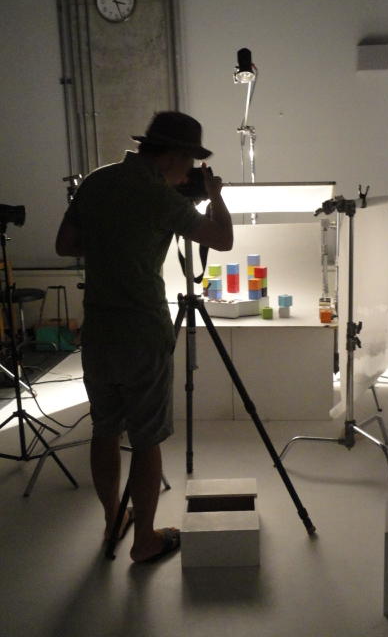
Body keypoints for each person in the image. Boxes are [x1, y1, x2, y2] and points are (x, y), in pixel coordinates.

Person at [55, 111, 233, 562]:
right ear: (174, 154)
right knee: (146, 437)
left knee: (105, 429)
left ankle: (112, 521)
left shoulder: (97, 180)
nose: (188, 174)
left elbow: (66, 244)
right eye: (189, 163)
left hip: (99, 327)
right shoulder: (159, 196)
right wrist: (214, 196)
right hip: (142, 330)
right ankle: (146, 541)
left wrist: (115, 243)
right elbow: (222, 239)